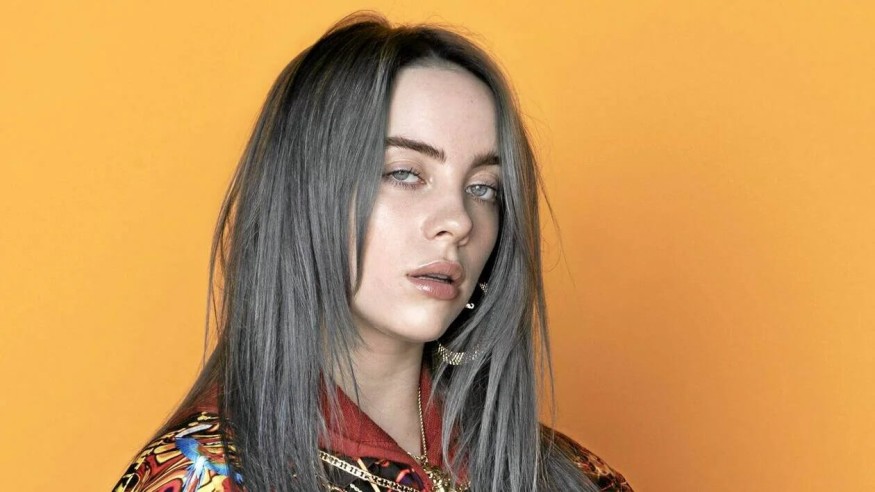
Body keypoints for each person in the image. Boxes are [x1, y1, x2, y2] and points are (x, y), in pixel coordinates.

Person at [114, 12, 632, 492]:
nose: (458, 220)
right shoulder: (204, 476)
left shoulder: (576, 479)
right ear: (307, 193)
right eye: (404, 173)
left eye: (483, 188)